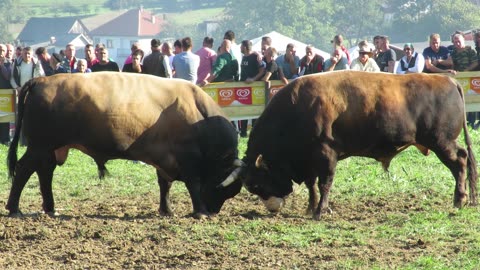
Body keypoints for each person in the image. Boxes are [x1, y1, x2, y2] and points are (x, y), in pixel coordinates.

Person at [451, 33, 479, 129]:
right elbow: (451, 63)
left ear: (463, 40)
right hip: (458, 80)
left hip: (470, 78)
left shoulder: (470, 50)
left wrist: (465, 71)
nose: (457, 43)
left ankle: (472, 122)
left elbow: (475, 62)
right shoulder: (453, 52)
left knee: (472, 100)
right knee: (459, 101)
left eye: (458, 41)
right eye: (455, 42)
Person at [238, 39, 266, 137]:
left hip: (254, 88)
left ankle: (254, 132)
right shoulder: (244, 57)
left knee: (255, 109)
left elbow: (262, 70)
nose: (240, 48)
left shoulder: (255, 57)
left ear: (245, 47)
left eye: (241, 46)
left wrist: (253, 79)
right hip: (243, 88)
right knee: (243, 109)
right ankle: (243, 132)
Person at [0, 44, 12, 144]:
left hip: (5, 94)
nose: (1, 53)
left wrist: (1, 64)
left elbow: (8, 76)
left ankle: (5, 139)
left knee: (5, 119)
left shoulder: (9, 63)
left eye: (3, 50)